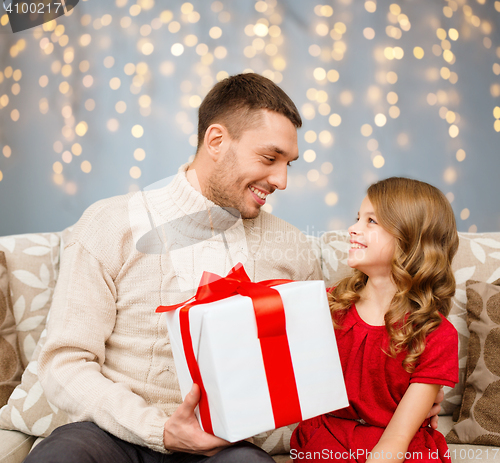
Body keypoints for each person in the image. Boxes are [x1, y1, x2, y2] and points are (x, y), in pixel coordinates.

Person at [24, 75, 442, 463]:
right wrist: (159, 430)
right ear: (217, 140)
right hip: (113, 435)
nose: (281, 180)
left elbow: (321, 365)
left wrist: (412, 397)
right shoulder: (109, 225)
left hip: (230, 447)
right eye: (269, 158)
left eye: (288, 163)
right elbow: (65, 362)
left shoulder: (292, 247)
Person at [290, 177, 459, 463]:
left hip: (398, 447)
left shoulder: (437, 334)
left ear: (412, 240)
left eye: (371, 221)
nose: (353, 229)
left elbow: (396, 439)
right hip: (329, 439)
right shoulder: (326, 307)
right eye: (358, 218)